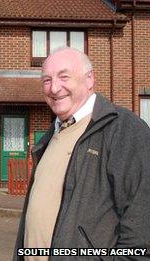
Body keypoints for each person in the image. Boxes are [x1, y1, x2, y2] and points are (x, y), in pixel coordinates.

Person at [14, 47, 150, 259]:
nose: (54, 88)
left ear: (89, 80)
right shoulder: (51, 136)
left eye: (64, 77)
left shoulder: (124, 130)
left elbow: (142, 226)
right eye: (46, 80)